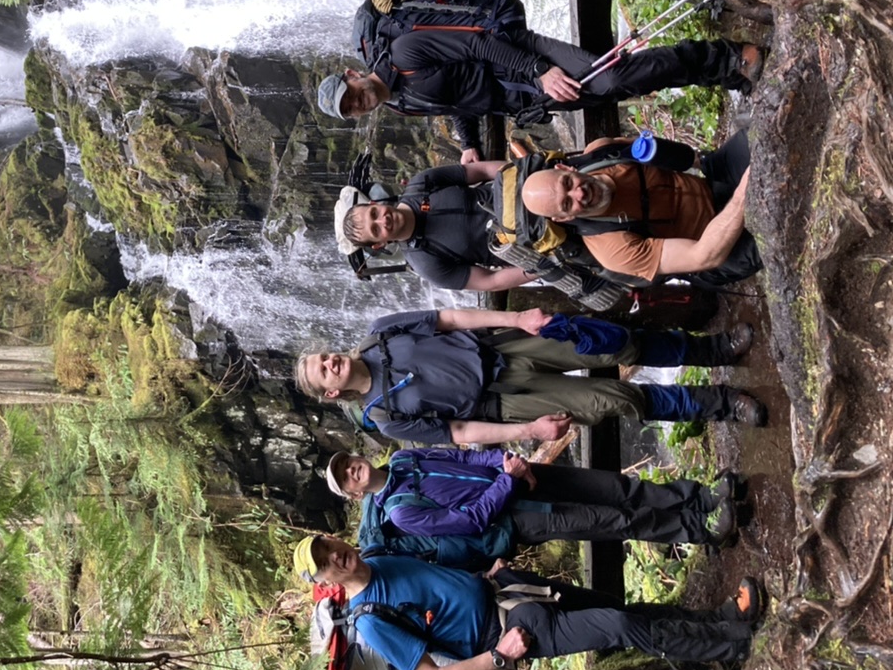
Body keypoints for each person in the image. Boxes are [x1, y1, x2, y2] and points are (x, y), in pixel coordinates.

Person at [316, 0, 762, 158]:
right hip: (521, 97)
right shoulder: (399, 101)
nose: (357, 103)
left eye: (350, 94)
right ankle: (723, 73)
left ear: (352, 74)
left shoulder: (404, 53)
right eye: (350, 109)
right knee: (613, 89)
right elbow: (456, 102)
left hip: (521, 59)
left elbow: (477, 43)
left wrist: (539, 70)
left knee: (611, 76)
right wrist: (469, 144)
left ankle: (730, 57)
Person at [294, 534, 766, 670]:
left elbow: (435, 579)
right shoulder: (371, 619)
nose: (335, 554)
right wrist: (500, 656)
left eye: (327, 545)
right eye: (324, 562)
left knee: (619, 608)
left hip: (507, 589)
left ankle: (722, 619)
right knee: (619, 627)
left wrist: (487, 569)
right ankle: (732, 645)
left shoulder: (377, 555)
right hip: (512, 630)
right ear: (326, 580)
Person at [294, 307, 765, 445]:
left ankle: (716, 348)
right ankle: (722, 404)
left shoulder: (381, 332)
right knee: (612, 400)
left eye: (326, 356)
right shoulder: (386, 418)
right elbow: (458, 432)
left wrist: (517, 319)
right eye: (324, 370)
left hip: (502, 345)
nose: (331, 361)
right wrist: (529, 432)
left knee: (611, 343)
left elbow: (450, 319)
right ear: (332, 392)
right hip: (504, 399)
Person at [326, 447, 750, 548]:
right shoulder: (401, 515)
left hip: (522, 476)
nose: (352, 469)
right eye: (346, 477)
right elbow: (470, 521)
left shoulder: (403, 458)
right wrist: (506, 481)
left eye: (349, 463)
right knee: (615, 520)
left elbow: (462, 456)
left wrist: (503, 460)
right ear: (354, 493)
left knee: (616, 488)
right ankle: (701, 529)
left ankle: (701, 497)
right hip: (522, 514)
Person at [520, 129, 760, 287]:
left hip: (711, 187)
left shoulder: (603, 152)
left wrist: (702, 161)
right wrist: (742, 197)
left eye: (567, 183)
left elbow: (671, 155)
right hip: (715, 245)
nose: (579, 193)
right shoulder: (612, 249)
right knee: (769, 235)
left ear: (565, 169)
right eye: (567, 203)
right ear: (564, 218)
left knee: (758, 139)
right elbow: (704, 256)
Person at [335, 163, 533, 292]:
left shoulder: (421, 185)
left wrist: (526, 169)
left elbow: (483, 171)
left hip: (525, 190)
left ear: (374, 204)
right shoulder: (427, 264)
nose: (382, 220)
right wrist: (539, 268)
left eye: (374, 214)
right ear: (379, 244)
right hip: (532, 241)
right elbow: (491, 281)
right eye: (376, 230)